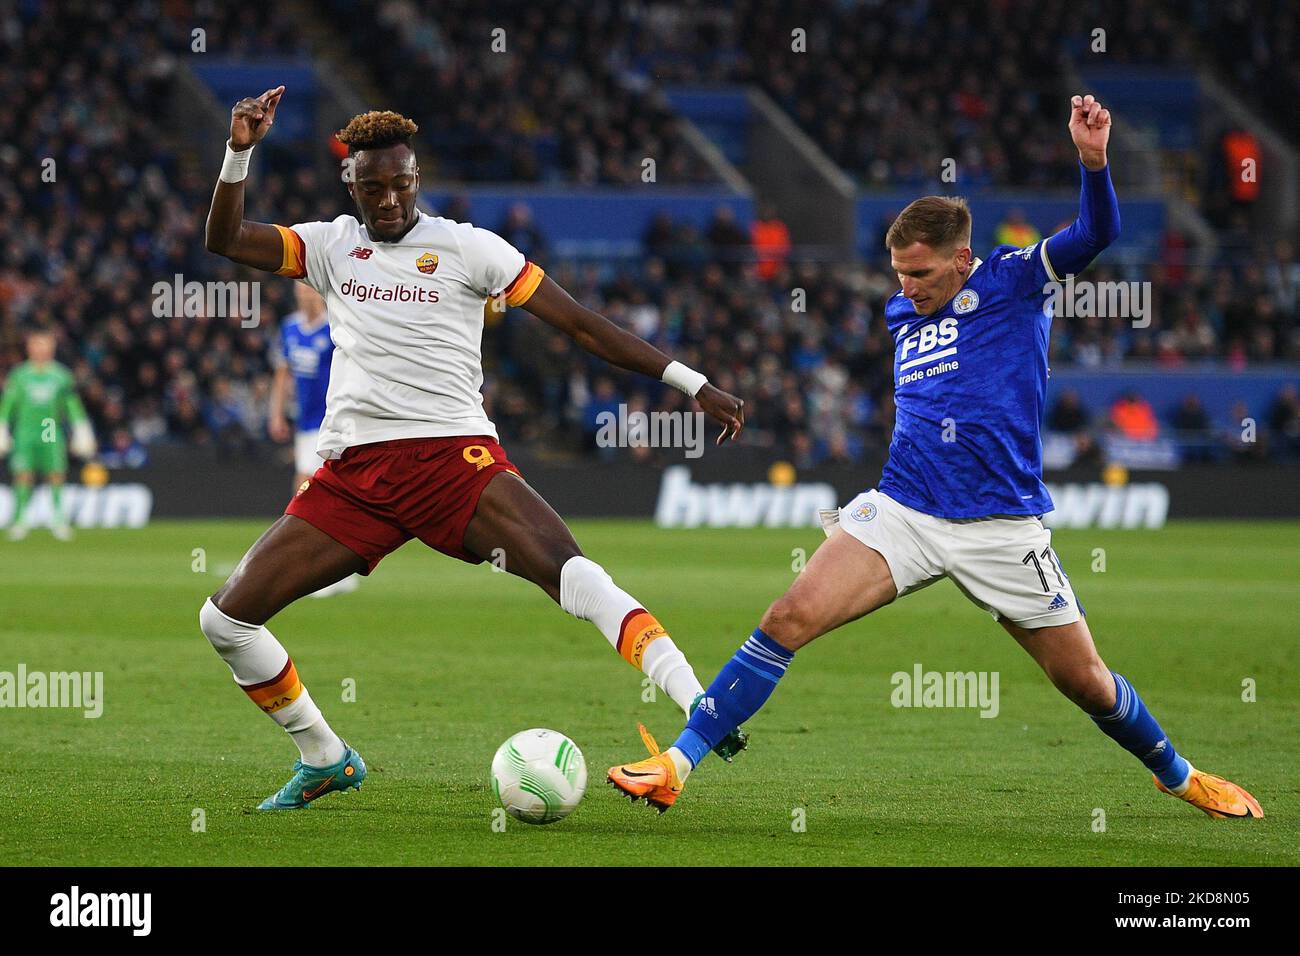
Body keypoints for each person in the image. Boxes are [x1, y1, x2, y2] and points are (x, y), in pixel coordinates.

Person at [608, 95, 1263, 821]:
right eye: (896, 272)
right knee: (788, 616)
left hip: (1001, 526)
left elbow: (1097, 231)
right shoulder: (900, 311)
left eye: (918, 274)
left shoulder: (1016, 281)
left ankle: (1179, 774)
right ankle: (677, 764)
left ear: (960, 259)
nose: (903, 288)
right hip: (904, 510)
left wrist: (1094, 162)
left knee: (1086, 682)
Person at [200, 87, 747, 809]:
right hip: (355, 475)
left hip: (456, 464)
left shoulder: (469, 249)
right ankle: (325, 755)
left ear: (416, 180)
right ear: (351, 186)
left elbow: (582, 326)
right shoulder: (331, 245)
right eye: (372, 188)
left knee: (574, 575)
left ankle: (697, 701)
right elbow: (226, 241)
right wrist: (239, 149)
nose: (387, 200)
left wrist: (691, 381)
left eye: (399, 185)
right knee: (225, 620)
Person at [268, 282, 358, 598]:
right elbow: (282, 373)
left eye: (310, 290)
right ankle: (330, 567)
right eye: (300, 291)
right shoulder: (290, 328)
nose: (306, 296)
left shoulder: (336, 326)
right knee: (317, 490)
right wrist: (276, 414)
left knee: (310, 488)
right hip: (306, 423)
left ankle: (315, 566)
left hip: (334, 421)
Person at [0, 329, 97, 541]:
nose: (40, 349)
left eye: (44, 344)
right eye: (36, 344)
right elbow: (8, 405)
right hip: (25, 432)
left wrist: (81, 429)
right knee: (23, 474)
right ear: (29, 347)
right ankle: (20, 520)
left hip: (50, 430)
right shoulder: (20, 375)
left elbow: (72, 405)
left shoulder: (61, 376)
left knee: (55, 474)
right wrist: (2, 428)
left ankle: (58, 520)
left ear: (52, 347)